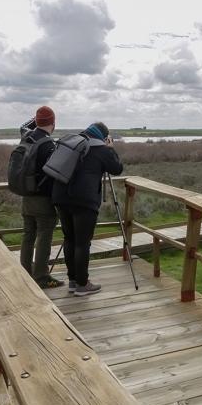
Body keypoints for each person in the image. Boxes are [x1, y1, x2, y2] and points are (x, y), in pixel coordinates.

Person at [51, 122, 123, 296]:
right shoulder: (102, 150)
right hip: (84, 201)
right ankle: (83, 285)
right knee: (83, 243)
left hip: (61, 197)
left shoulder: (74, 145)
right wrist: (111, 148)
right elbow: (117, 169)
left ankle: (73, 282)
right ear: (104, 137)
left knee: (69, 239)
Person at [19, 106, 63, 288]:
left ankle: (24, 272)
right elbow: (54, 173)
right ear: (53, 123)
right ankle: (42, 277)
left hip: (26, 196)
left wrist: (36, 122)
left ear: (36, 121)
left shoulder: (26, 138)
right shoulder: (47, 144)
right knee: (44, 236)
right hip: (42, 199)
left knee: (28, 235)